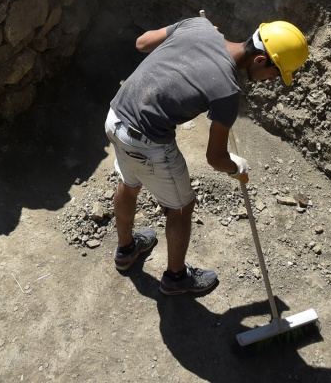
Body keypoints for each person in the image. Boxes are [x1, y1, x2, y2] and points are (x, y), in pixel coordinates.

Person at [106, 16, 309, 295]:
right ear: (260, 60)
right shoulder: (227, 90)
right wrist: (235, 167)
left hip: (115, 117)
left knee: (130, 184)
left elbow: (142, 43)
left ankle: (126, 250)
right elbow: (215, 158)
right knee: (181, 208)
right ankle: (176, 279)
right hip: (147, 140)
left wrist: (185, 40)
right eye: (276, 74)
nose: (272, 81)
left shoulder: (198, 26)